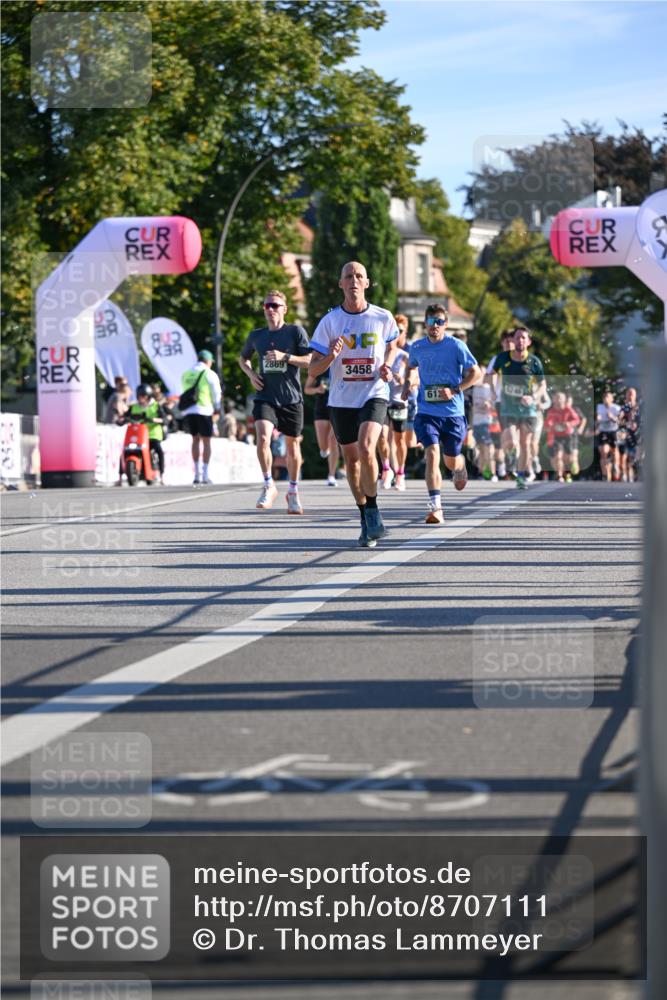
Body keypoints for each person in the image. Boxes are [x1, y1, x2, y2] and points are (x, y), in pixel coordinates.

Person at [308, 261, 398, 547]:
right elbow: (312, 370)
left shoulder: (383, 317)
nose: (354, 280)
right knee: (351, 461)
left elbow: (393, 346)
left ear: (367, 283)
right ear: (341, 284)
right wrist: (330, 356)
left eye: (359, 276)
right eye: (348, 276)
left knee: (367, 447)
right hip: (341, 399)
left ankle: (373, 508)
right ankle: (364, 516)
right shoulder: (330, 322)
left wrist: (387, 365)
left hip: (374, 392)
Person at [402, 304, 482, 524]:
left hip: (452, 414)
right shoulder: (417, 347)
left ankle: (460, 465)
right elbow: (411, 367)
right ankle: (435, 507)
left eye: (439, 322)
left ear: (446, 324)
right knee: (432, 453)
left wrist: (456, 390)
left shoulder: (456, 346)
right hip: (427, 412)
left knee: (450, 461)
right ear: (425, 323)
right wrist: (407, 385)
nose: (434, 326)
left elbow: (476, 373)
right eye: (431, 321)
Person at [238, 290, 311, 514]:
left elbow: (310, 361)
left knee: (292, 446)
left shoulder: (295, 332)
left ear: (284, 309)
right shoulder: (256, 336)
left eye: (275, 305)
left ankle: (293, 491)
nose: (270, 309)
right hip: (265, 396)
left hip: (291, 398)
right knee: (262, 437)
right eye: (267, 305)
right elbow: (243, 359)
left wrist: (285, 357)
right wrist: (251, 375)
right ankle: (269, 484)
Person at [490, 327, 546, 489]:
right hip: (508, 407)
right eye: (517, 337)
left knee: (525, 443)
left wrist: (534, 397)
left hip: (528, 409)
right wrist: (493, 391)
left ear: (528, 342)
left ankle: (521, 476)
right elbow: (490, 374)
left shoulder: (534, 361)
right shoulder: (503, 358)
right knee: (511, 442)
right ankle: (511, 457)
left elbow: (543, 384)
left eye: (523, 338)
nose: (520, 340)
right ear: (513, 341)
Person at [180, 349, 222, 484]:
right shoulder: (209, 373)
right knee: (206, 441)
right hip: (204, 409)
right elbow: (216, 393)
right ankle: (205, 473)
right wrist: (217, 408)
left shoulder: (186, 373)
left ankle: (197, 474)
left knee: (195, 440)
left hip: (189, 411)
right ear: (208, 361)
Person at [383, 315, 412, 491]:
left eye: (400, 331)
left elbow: (416, 380)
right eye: (394, 331)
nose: (397, 334)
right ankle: (386, 469)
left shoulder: (405, 356)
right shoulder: (381, 352)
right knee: (382, 436)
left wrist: (406, 382)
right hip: (381, 400)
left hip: (399, 401)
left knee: (400, 440)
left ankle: (400, 473)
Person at [120, 383, 168, 484]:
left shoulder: (155, 406)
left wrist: (154, 420)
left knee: (159, 450)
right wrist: (121, 420)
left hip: (152, 435)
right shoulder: (134, 407)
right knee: (125, 451)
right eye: (140, 396)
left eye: (144, 396)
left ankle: (162, 475)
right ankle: (120, 476)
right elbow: (125, 417)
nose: (141, 398)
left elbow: (165, 419)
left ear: (148, 396)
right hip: (138, 436)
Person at [304, 368, 341, 487]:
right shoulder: (320, 367)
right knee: (323, 447)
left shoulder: (341, 365)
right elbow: (307, 389)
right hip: (322, 407)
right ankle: (326, 450)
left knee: (332, 439)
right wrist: (317, 389)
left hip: (338, 406)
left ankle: (331, 475)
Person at [543, 391, 580, 482]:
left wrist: (569, 424)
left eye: (560, 398)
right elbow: (548, 422)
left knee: (568, 458)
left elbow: (577, 420)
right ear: (553, 400)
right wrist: (550, 425)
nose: (558, 400)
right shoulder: (551, 411)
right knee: (558, 456)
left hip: (568, 436)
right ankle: (559, 475)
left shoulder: (568, 409)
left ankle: (567, 473)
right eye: (557, 397)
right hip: (556, 436)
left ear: (564, 399)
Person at [595, 389, 621, 482]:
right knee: (603, 452)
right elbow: (598, 420)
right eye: (604, 397)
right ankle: (605, 475)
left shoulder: (616, 408)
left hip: (613, 431)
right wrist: (598, 420)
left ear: (612, 399)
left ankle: (615, 465)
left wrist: (612, 417)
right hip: (603, 431)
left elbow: (620, 421)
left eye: (607, 397)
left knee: (614, 451)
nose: (605, 399)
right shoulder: (599, 407)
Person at [617, 386, 641, 482]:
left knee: (637, 457)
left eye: (632, 394)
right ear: (626, 396)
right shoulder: (624, 408)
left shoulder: (640, 407)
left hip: (638, 435)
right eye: (629, 393)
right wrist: (625, 422)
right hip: (626, 434)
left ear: (635, 395)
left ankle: (636, 475)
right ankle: (627, 476)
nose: (631, 395)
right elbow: (619, 420)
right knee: (626, 456)